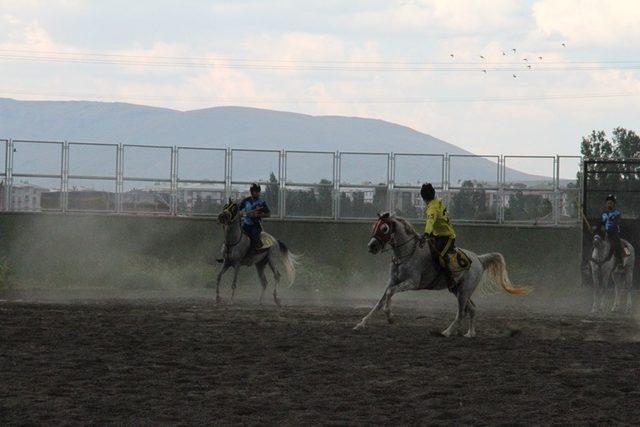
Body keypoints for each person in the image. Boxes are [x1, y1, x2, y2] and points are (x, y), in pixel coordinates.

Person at [420, 183, 457, 290]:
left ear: (423, 197)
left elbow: (430, 222)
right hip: (437, 235)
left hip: (448, 237)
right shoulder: (437, 202)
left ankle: (451, 281)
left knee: (441, 257)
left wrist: (426, 233)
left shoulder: (432, 208)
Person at [238, 183, 271, 250]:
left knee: (255, 237)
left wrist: (258, 215)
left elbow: (268, 214)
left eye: (258, 191)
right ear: (251, 192)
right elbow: (238, 210)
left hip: (256, 225)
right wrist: (240, 213)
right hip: (246, 225)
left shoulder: (261, 202)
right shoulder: (245, 201)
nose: (257, 193)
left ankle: (257, 252)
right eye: (255, 191)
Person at [601, 194, 623, 268]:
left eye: (611, 203)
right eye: (608, 203)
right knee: (596, 240)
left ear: (614, 204)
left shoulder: (617, 213)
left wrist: (608, 230)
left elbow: (615, 223)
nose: (609, 204)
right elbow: (602, 222)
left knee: (616, 244)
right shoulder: (604, 214)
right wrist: (596, 227)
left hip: (614, 233)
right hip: (606, 234)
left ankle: (620, 262)